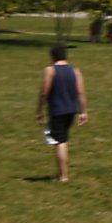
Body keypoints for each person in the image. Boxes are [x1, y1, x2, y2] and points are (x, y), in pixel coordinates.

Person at [37, 43, 89, 183]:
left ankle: (63, 176)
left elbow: (44, 92)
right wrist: (83, 112)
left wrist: (39, 110)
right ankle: (62, 174)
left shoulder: (50, 70)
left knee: (60, 142)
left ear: (52, 56)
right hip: (71, 110)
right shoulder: (75, 71)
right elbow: (81, 92)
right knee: (63, 139)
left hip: (57, 110)